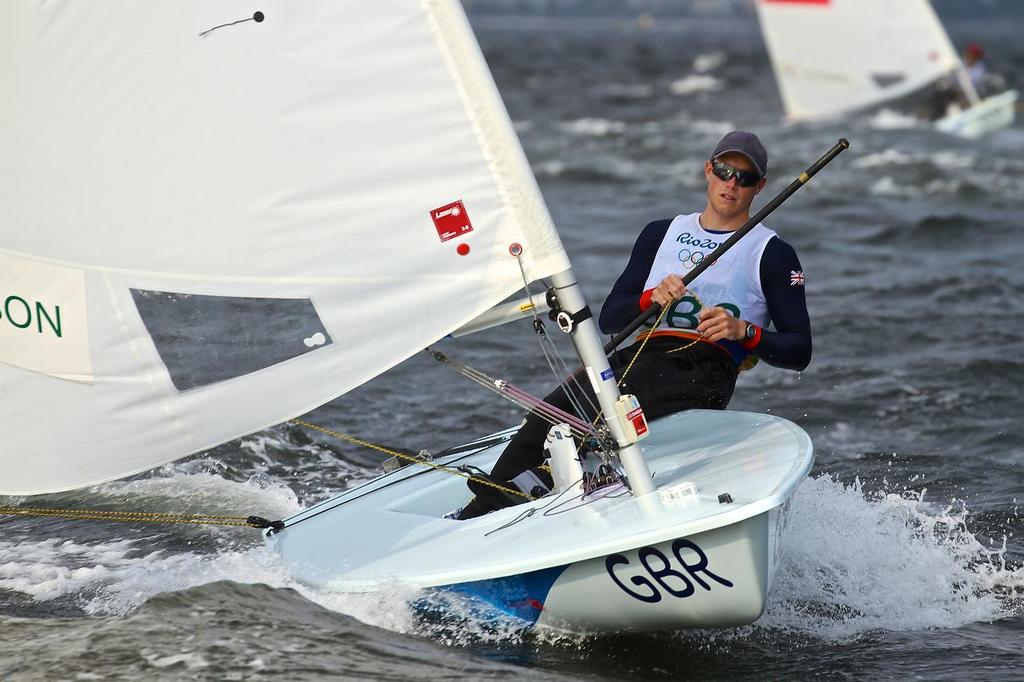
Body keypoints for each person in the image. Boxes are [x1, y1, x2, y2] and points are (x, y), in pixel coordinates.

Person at [456, 130, 812, 520]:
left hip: (705, 367)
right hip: (641, 352)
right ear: (708, 170)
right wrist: (650, 297)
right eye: (726, 170)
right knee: (551, 413)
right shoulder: (661, 234)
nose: (732, 183)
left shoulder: (773, 253)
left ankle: (533, 499)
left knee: (599, 411)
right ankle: (483, 507)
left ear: (759, 186)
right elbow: (610, 317)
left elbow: (799, 351)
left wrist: (744, 331)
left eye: (745, 178)